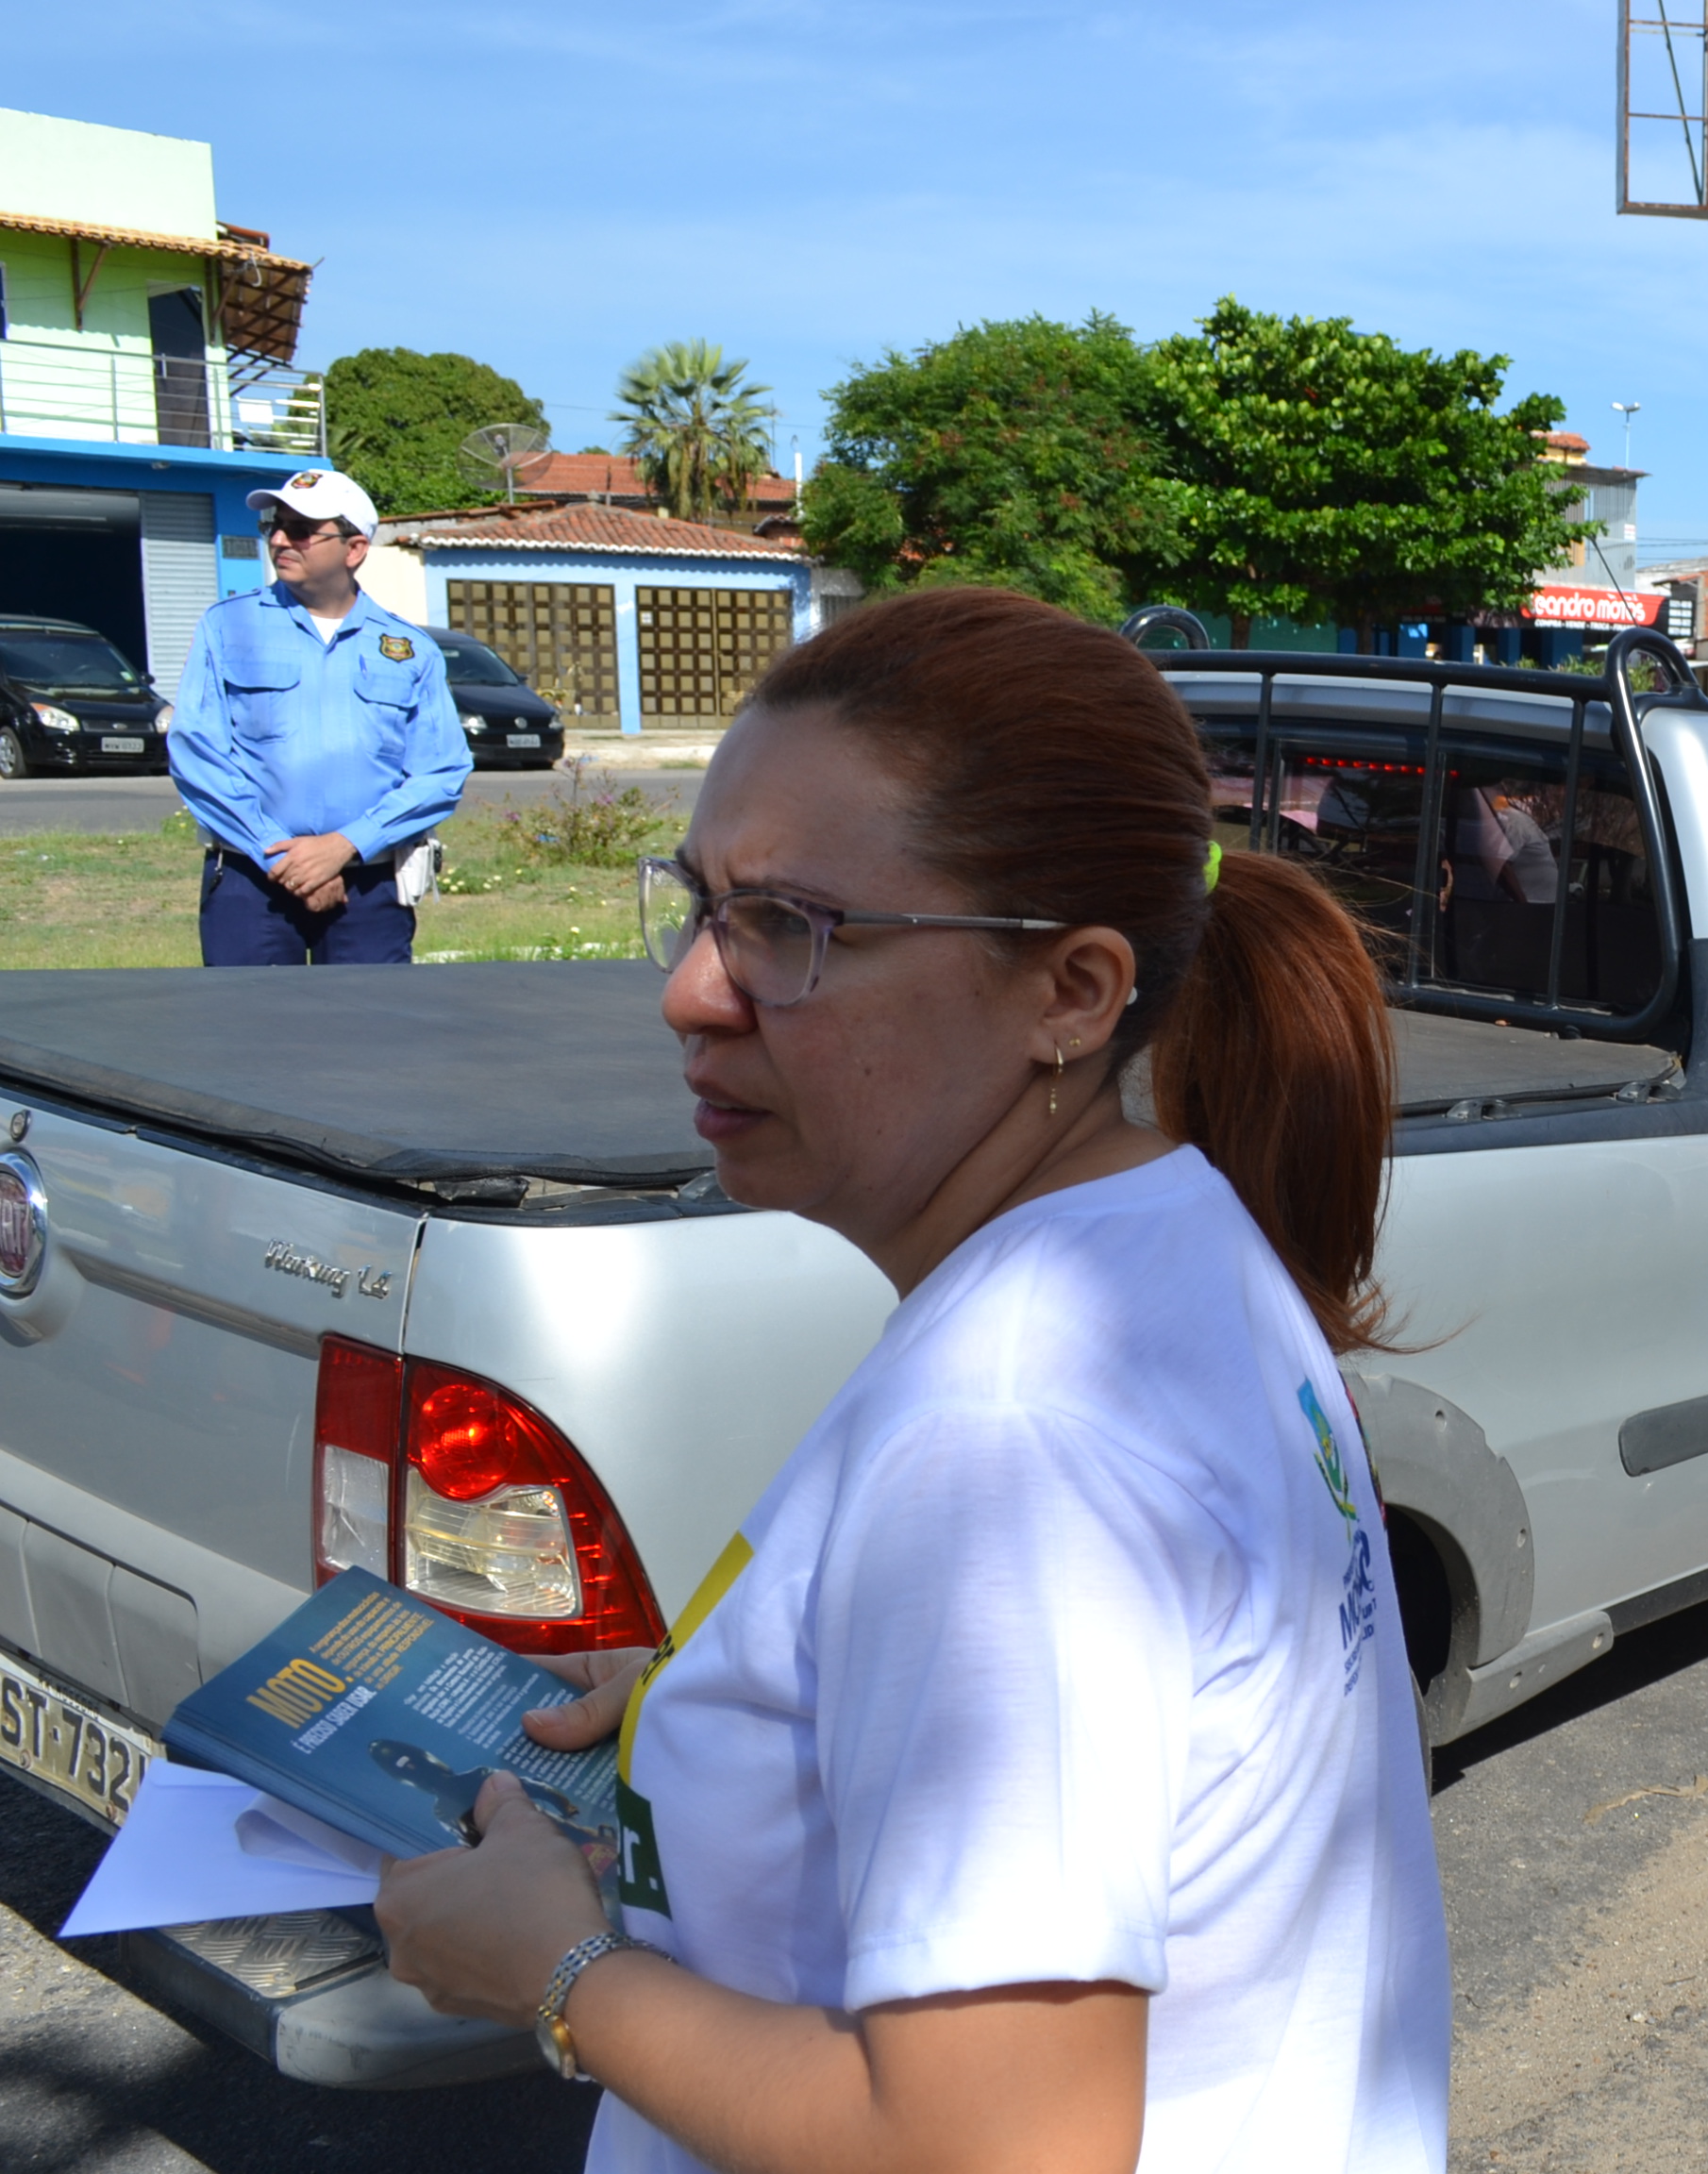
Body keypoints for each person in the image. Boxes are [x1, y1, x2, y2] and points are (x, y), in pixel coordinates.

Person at [375, 588, 1452, 2173]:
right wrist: (742, 1687)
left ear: (1072, 994)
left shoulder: (1011, 1434)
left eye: (790, 927)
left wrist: (553, 1971)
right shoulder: (1166, 1224)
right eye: (699, 904)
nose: (688, 987)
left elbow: (998, 2144)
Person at [169, 470, 470, 966]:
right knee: (250, 1035)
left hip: (368, 888)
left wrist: (345, 845)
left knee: (368, 1037)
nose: (281, 539)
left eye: (303, 529)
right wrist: (284, 857)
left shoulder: (410, 649)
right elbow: (196, 753)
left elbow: (441, 773)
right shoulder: (227, 625)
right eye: (276, 525)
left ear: (354, 550)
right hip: (251, 880)